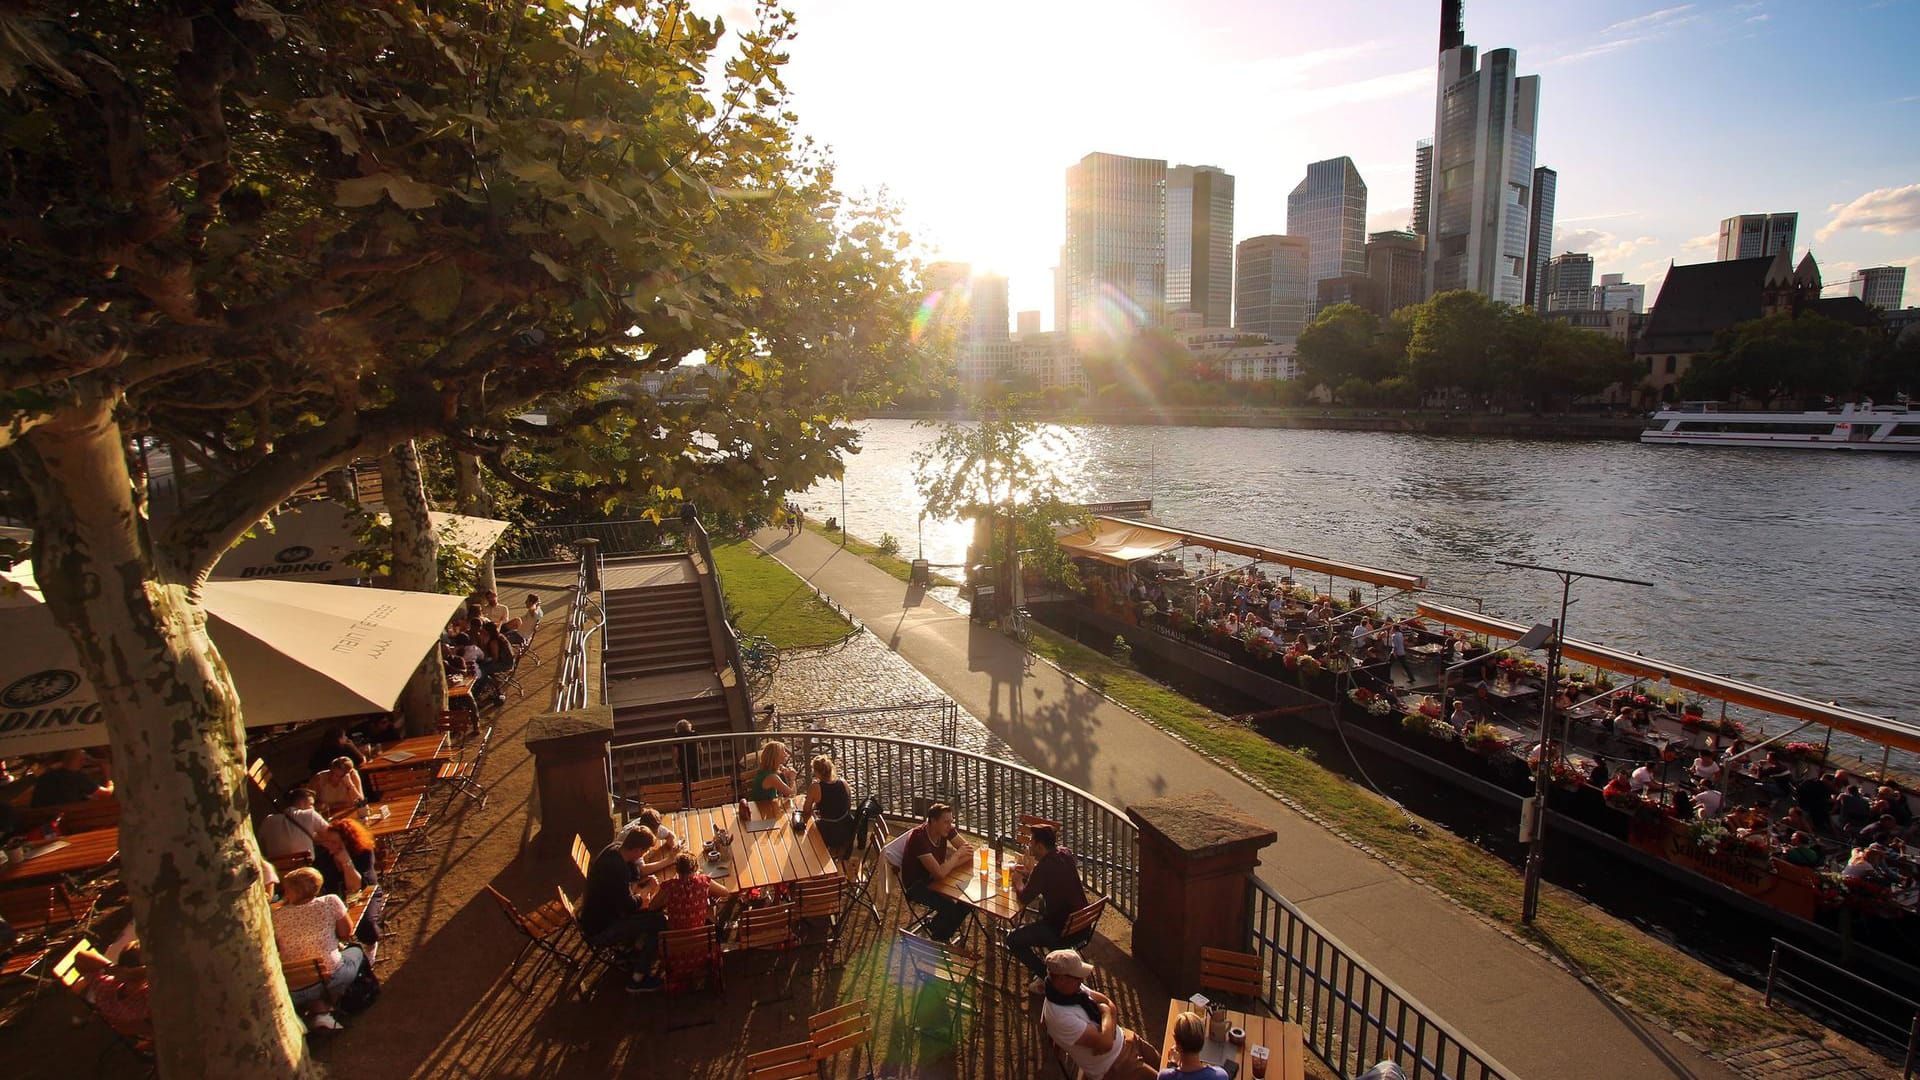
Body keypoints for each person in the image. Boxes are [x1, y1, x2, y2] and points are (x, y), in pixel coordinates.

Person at [270, 868, 369, 1031]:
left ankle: (319, 1013)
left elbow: (279, 947)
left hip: (294, 986)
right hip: (328, 979)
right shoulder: (330, 901)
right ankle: (338, 1005)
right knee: (355, 952)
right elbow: (346, 933)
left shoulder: (276, 916)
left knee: (314, 974)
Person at [1039, 949, 1159, 1080]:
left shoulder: (1071, 991)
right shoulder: (1060, 1016)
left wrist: (1108, 1018)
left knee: (1164, 1062)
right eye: (1077, 977)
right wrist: (1106, 1011)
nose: (1082, 980)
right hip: (1115, 1065)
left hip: (1125, 1038)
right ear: (1062, 979)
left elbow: (1109, 1003)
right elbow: (1106, 1043)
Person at [578, 829, 668, 992]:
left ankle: (636, 948)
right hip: (602, 929)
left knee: (654, 912)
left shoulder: (616, 848)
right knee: (661, 921)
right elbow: (631, 906)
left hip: (596, 916)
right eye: (644, 852)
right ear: (637, 850)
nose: (642, 856)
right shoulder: (616, 869)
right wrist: (646, 890)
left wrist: (640, 884)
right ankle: (638, 979)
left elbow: (634, 873)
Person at [1009, 825, 1090, 992]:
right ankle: (1051, 970)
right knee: (1042, 905)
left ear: (1040, 846)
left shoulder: (1043, 868)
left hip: (1062, 932)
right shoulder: (1065, 853)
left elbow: (1024, 898)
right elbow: (1052, 879)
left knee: (1012, 939)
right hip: (1083, 926)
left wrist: (1017, 880)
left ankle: (1049, 977)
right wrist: (1031, 874)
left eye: (1031, 842)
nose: (1029, 845)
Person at [901, 803, 973, 942]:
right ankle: (940, 937)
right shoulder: (919, 838)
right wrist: (956, 857)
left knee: (969, 900)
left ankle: (937, 928)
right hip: (917, 886)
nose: (949, 826)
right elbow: (939, 874)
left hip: (936, 879)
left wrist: (948, 866)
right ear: (933, 821)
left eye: (951, 821)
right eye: (946, 822)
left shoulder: (945, 830)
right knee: (950, 907)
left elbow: (969, 852)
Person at [70, 942, 154, 1044]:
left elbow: (80, 957)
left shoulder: (106, 988)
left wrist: (111, 969)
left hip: (125, 1031)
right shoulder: (148, 1000)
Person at [256, 788, 331, 865]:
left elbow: (262, 848)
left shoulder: (267, 821)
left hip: (277, 870)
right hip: (304, 867)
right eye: (311, 804)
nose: (313, 808)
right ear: (300, 803)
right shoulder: (310, 814)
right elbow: (332, 834)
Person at [802, 755, 855, 861]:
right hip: (846, 829)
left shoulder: (816, 787)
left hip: (828, 831)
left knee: (804, 832)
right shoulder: (843, 783)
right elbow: (848, 804)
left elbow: (806, 810)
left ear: (816, 772)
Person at [1157, 1010, 1229, 1080]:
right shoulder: (1220, 1076)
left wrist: (1172, 1065)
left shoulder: (1164, 1076)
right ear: (1203, 1040)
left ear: (1176, 1040)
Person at [315, 818, 376, 899]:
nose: (329, 845)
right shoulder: (323, 857)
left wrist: (346, 862)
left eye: (334, 842)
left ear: (347, 842)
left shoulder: (364, 852)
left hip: (367, 894)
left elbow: (355, 888)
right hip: (337, 901)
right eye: (327, 841)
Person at [31, 748, 113, 807]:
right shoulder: (78, 778)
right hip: (69, 820)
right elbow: (106, 794)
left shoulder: (45, 777)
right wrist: (109, 778)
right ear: (82, 762)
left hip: (41, 820)